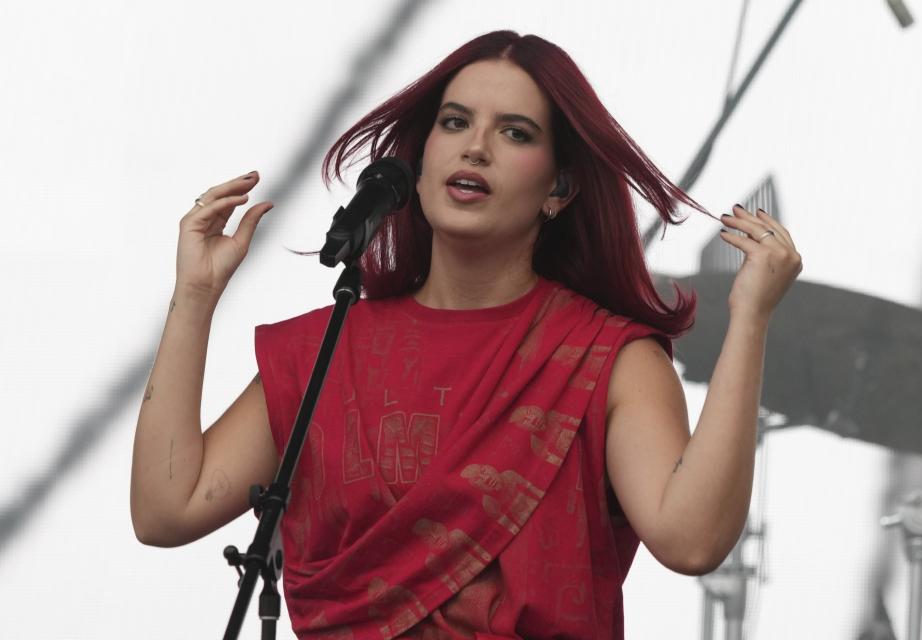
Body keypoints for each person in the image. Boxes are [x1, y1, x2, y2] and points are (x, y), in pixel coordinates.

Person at [130, 30, 802, 640]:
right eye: (455, 123)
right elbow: (167, 510)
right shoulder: (323, 349)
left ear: (559, 188)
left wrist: (750, 320)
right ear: (419, 163)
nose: (474, 146)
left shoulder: (606, 360)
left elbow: (691, 542)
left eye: (514, 133)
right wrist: (195, 296)